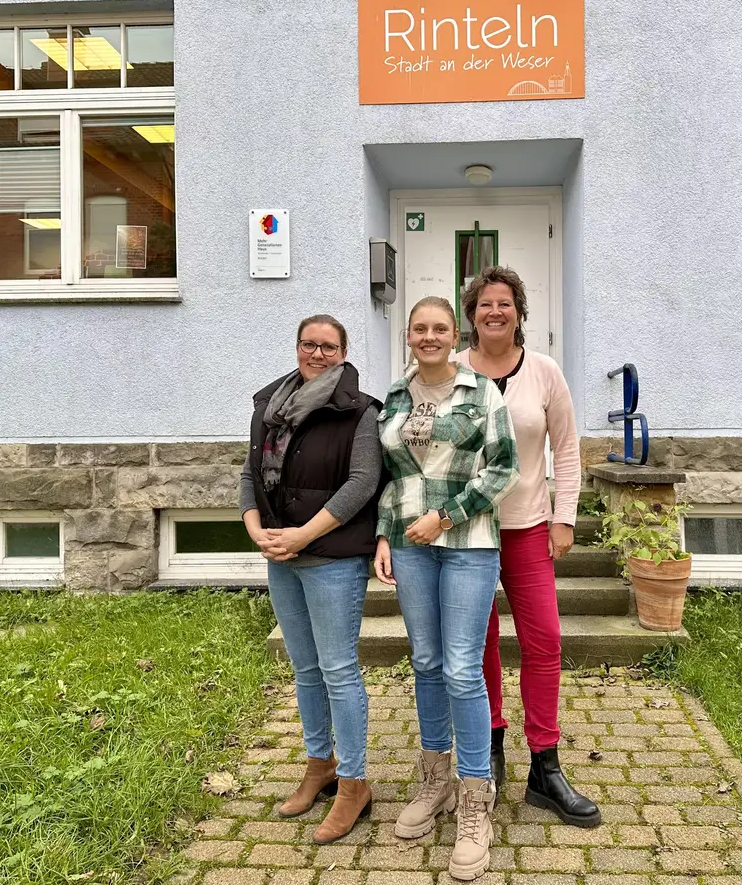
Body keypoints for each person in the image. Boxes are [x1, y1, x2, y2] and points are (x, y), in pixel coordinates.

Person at [374, 296, 520, 882]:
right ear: (408, 336)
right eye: (419, 329)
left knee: (462, 666)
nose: (429, 336)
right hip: (408, 544)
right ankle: (435, 779)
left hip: (469, 543)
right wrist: (386, 536)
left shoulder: (482, 392)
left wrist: (448, 515)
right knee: (427, 661)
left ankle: (475, 798)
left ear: (453, 334)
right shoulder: (395, 395)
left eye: (439, 328)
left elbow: (503, 467)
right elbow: (391, 476)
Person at [460, 266, 601, 828]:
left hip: (527, 527)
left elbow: (566, 451)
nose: (495, 311)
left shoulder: (543, 372)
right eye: (484, 304)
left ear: (519, 312)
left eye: (505, 303)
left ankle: (545, 765)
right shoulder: (449, 371)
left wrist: (563, 519)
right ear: (470, 315)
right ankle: (490, 749)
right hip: (466, 532)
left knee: (543, 640)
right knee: (482, 642)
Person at [241, 314, 382, 844]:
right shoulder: (269, 405)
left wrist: (302, 535)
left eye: (329, 347)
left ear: (343, 353)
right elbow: (249, 475)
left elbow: (363, 483)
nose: (317, 354)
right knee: (305, 670)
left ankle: (353, 782)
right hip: (281, 555)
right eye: (309, 344)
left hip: (332, 558)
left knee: (339, 670)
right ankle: (319, 764)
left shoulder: (360, 411)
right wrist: (259, 530)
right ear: (296, 346)